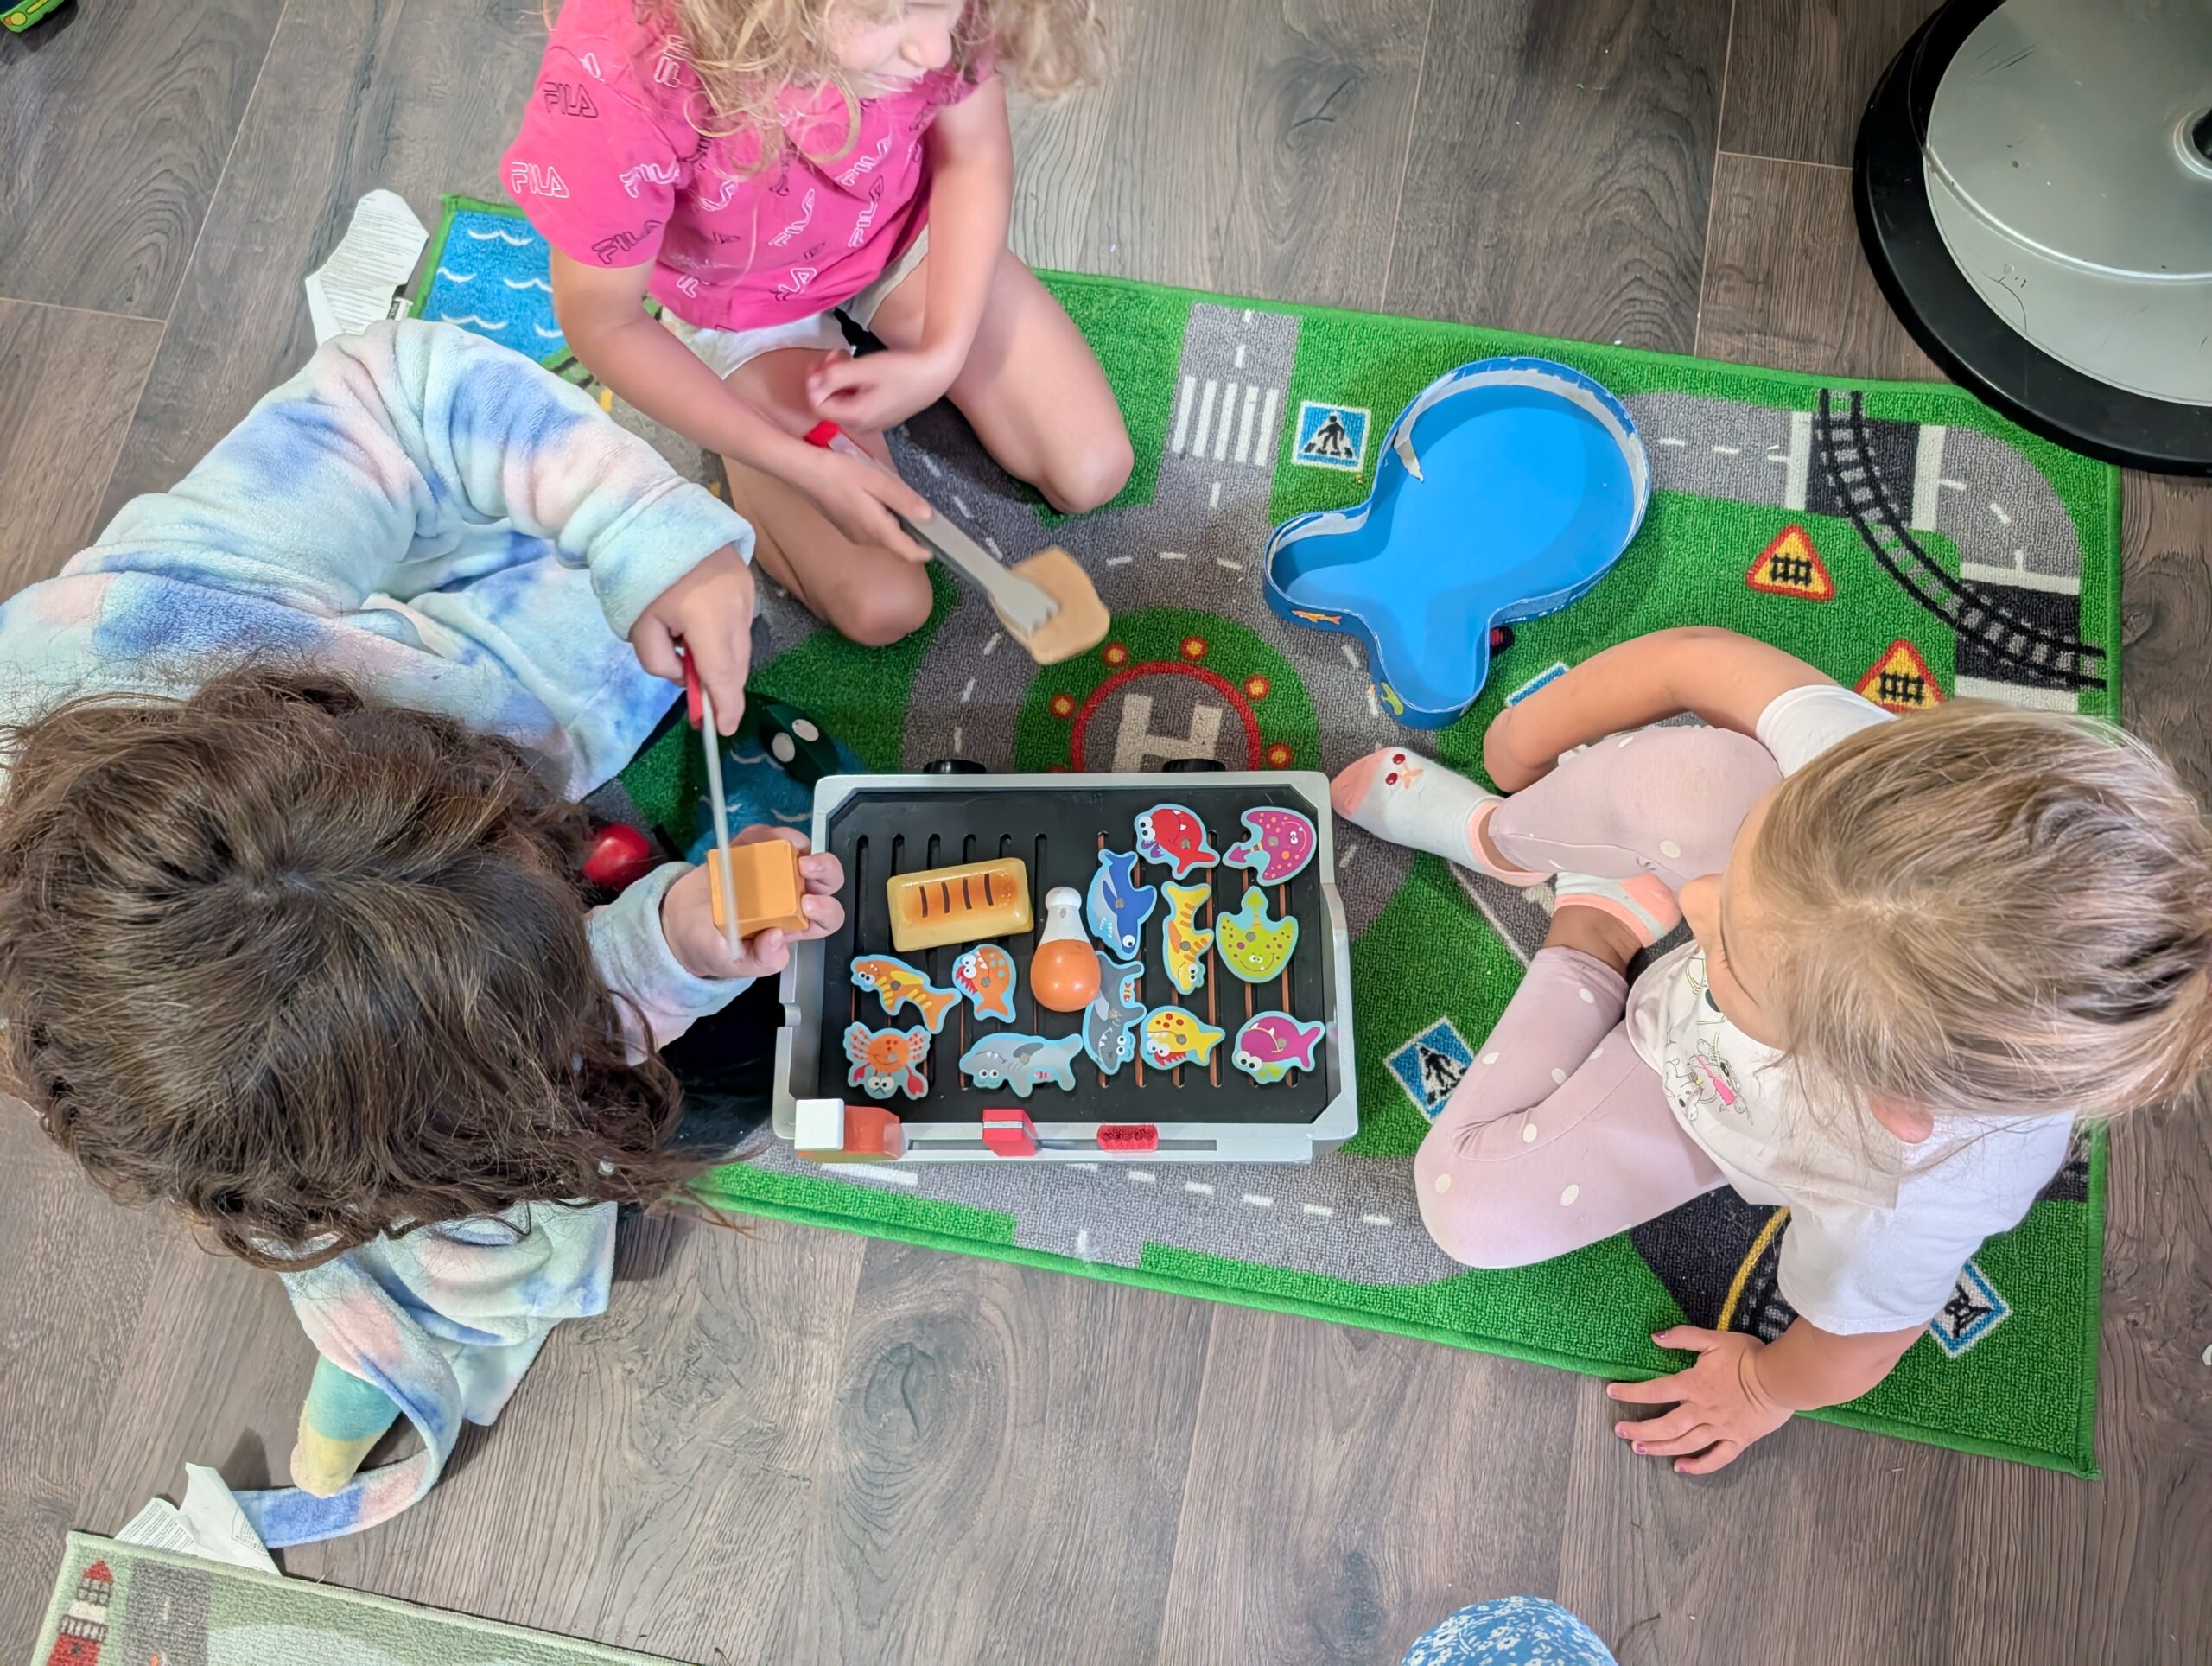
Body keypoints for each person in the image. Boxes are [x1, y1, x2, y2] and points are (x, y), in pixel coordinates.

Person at [0, 320, 844, 1544]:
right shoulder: (233, 1094)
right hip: (364, 1114)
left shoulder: (156, 614)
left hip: (495, 629)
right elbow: (530, 1082)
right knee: (611, 1147)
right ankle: (409, 1324)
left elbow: (401, 383)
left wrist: (643, 536)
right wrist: (667, 951)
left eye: (503, 838)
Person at [1334, 626, 2212, 1472]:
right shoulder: (1875, 786)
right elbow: (1696, 661)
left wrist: (1759, 1385)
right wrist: (1522, 741)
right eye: (1745, 871)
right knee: (1694, 776)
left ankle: (1593, 929)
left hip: (1716, 1104)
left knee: (1470, 1211)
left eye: (1723, 951)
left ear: (1877, 1095)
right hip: (1809, 951)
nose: (1698, 901)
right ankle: (1507, 837)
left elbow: (1860, 1336)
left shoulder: (1900, 1194)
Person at [505, 0, 1132, 646]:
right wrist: (798, 465)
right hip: (733, 303)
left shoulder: (930, 30)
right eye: (886, 17)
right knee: (885, 604)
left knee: (1092, 468)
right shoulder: (621, 79)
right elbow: (603, 322)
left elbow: (972, 155)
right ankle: (749, 449)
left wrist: (942, 354)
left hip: (896, 231)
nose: (936, 52)